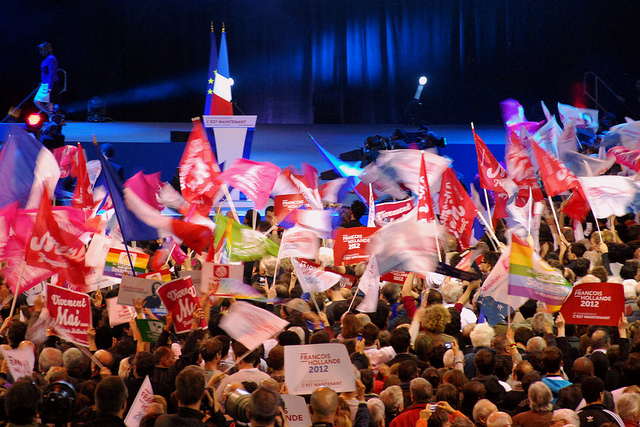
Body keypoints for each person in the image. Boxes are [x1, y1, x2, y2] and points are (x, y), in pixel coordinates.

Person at [34, 41, 58, 114]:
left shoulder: (51, 58)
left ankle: (51, 119)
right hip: (45, 83)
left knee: (49, 103)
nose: (40, 52)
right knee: (38, 101)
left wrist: (50, 86)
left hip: (49, 84)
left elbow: (52, 72)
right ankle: (51, 116)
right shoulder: (48, 59)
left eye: (41, 50)